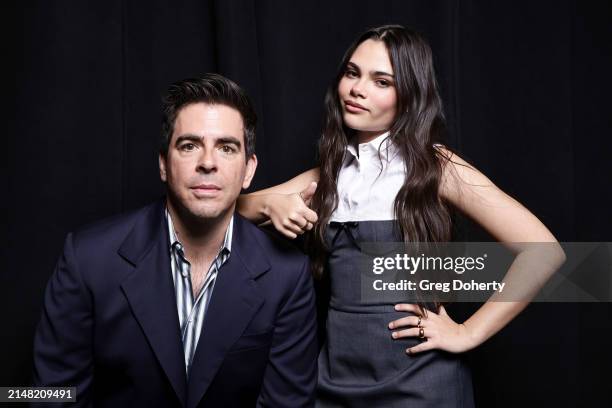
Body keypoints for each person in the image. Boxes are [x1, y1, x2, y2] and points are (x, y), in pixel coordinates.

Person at [237, 25, 565, 407]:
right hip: (335, 382)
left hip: (421, 384)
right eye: (352, 73)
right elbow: (219, 211)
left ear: (409, 95)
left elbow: (544, 251)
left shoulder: (435, 166)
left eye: (382, 81)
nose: (358, 89)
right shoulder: (327, 175)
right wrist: (266, 205)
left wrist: (466, 333)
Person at [32, 74, 318, 407]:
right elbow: (50, 395)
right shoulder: (88, 258)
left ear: (248, 170)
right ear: (164, 164)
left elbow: (287, 404)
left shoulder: (288, 275)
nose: (208, 162)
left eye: (226, 148)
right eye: (189, 145)